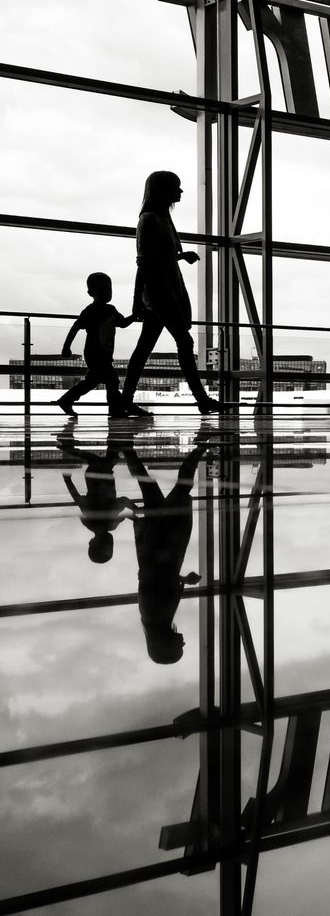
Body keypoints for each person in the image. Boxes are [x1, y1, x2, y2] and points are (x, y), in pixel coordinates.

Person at [121, 171, 232, 417]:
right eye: (176, 187)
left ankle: (125, 399)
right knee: (184, 341)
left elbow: (155, 258)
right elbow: (144, 264)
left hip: (167, 290)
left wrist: (181, 256)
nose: (180, 192)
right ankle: (202, 400)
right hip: (161, 293)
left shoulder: (161, 219)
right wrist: (137, 300)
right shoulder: (150, 220)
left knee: (144, 347)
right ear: (162, 190)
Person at [121, 430, 213, 664]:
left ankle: (201, 446)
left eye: (178, 647)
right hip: (157, 538)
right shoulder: (153, 618)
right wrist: (182, 579)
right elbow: (153, 579)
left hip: (165, 538)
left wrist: (182, 578)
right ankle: (126, 448)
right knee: (149, 485)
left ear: (166, 644)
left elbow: (156, 577)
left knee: (178, 488)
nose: (183, 642)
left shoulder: (158, 616)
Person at [57, 272, 136, 418]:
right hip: (95, 353)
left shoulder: (110, 309)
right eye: (102, 290)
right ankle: (115, 409)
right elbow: (75, 327)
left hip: (101, 354)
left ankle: (66, 400)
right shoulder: (91, 311)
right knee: (112, 380)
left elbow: (123, 323)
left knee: (92, 381)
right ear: (90, 293)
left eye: (108, 290)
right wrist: (66, 346)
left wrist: (134, 316)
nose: (106, 293)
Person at [55, 423, 130, 563]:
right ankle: (67, 445)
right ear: (91, 544)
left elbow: (123, 502)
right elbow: (78, 499)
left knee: (108, 459)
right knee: (106, 458)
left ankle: (67, 446)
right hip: (94, 478)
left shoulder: (110, 524)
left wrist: (133, 510)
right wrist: (67, 481)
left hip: (102, 477)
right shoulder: (92, 523)